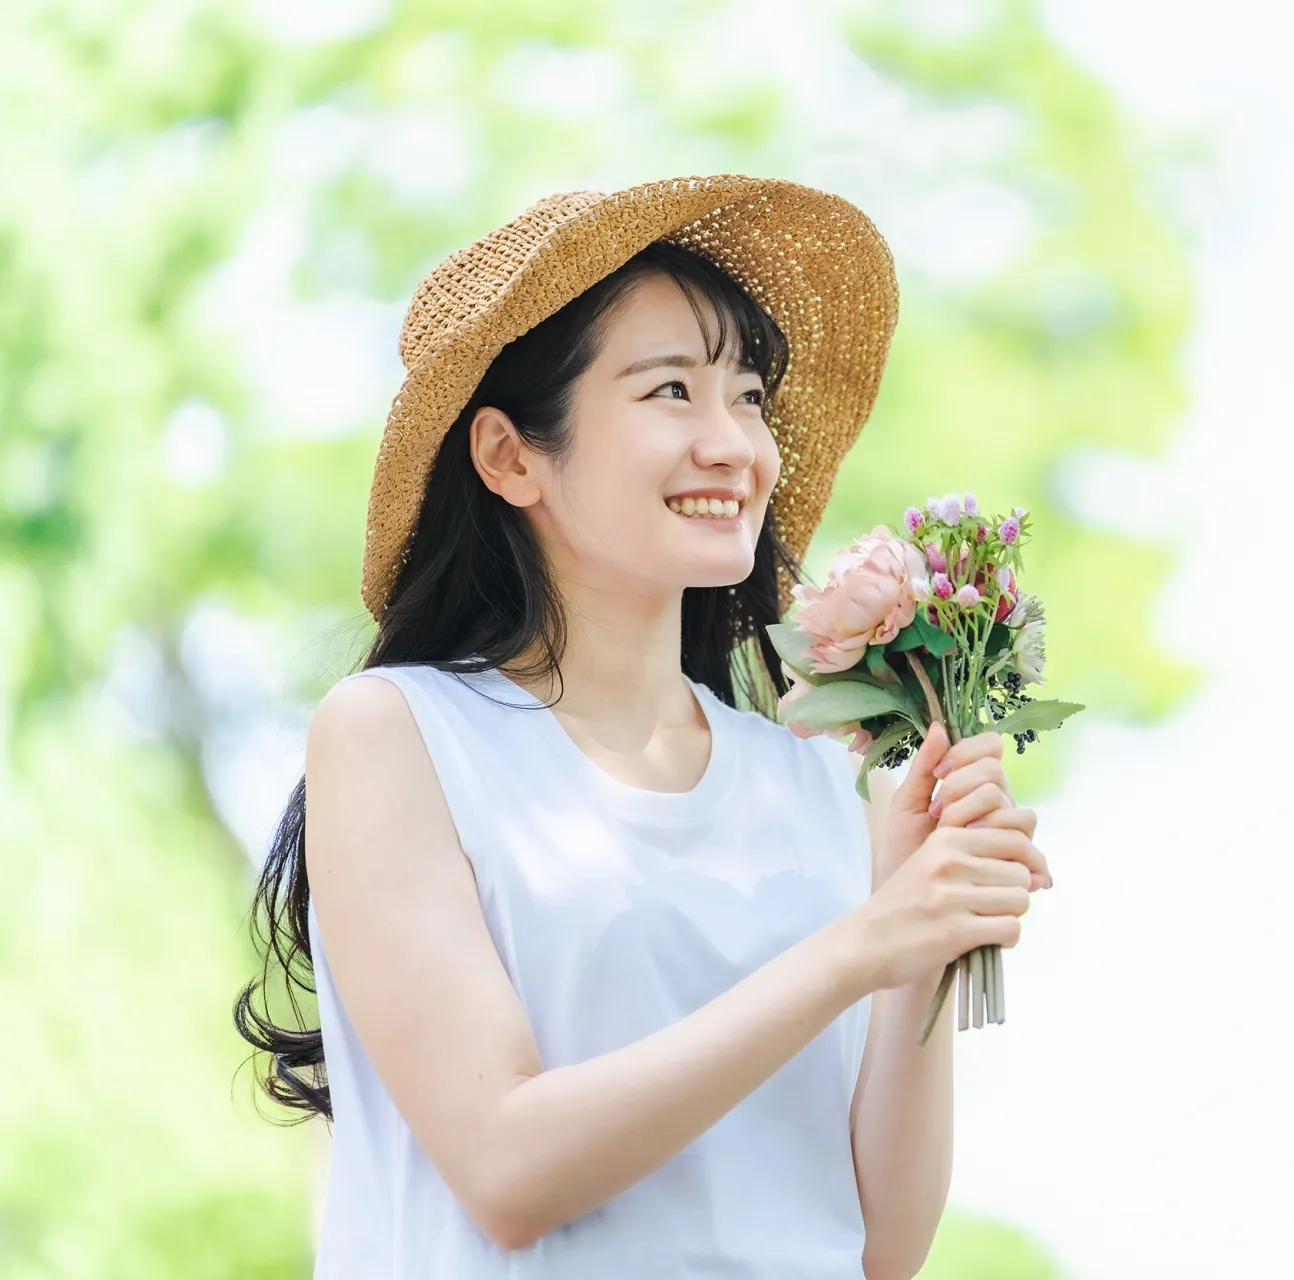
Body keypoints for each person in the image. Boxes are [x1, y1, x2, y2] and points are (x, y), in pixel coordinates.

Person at [234, 177, 1052, 1279]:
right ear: (509, 454)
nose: (736, 446)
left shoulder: (810, 778)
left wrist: (923, 951)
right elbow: (508, 1167)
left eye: (750, 395)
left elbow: (880, 1243)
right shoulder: (399, 734)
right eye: (671, 390)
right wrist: (859, 946)